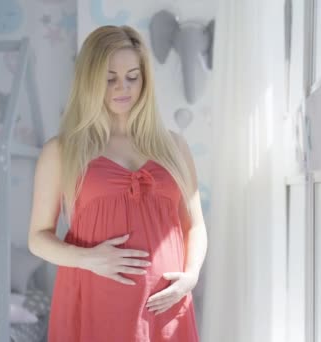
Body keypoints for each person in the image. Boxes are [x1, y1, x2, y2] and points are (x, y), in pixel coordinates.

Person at [27, 25, 208, 341]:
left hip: (164, 302)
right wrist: (88, 258)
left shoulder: (174, 146)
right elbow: (38, 238)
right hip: (94, 298)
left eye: (132, 77)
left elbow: (194, 225)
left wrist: (190, 277)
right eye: (109, 78)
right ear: (89, 80)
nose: (122, 88)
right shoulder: (62, 151)